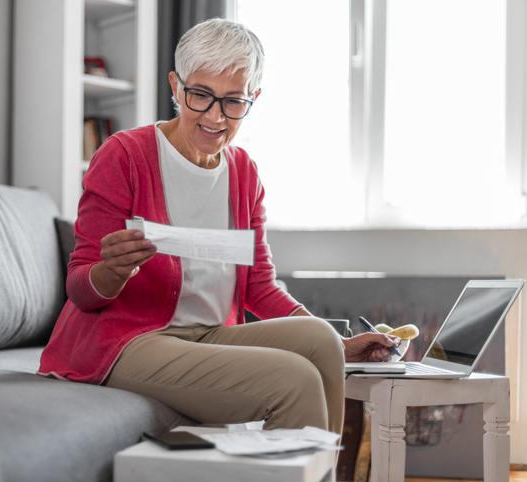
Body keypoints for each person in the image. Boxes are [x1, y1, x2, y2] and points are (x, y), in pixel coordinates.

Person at [39, 18, 399, 435]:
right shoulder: (124, 156)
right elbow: (80, 290)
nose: (215, 116)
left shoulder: (244, 172)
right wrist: (112, 272)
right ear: (176, 87)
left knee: (320, 339)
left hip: (209, 335)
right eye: (200, 95)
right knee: (293, 379)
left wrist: (340, 344)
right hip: (128, 342)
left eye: (233, 102)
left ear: (253, 99)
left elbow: (260, 286)